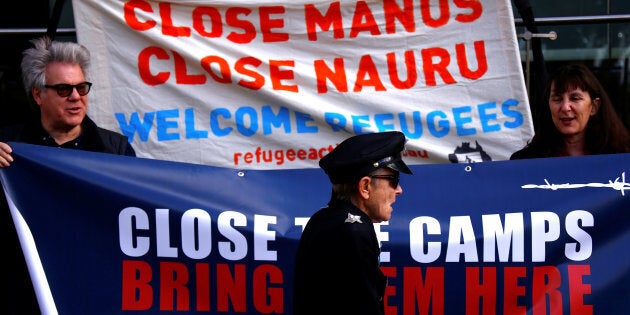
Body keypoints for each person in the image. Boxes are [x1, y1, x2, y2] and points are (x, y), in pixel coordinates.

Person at [0, 36, 136, 314]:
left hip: (92, 288)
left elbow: (134, 221)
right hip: (24, 290)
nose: (75, 96)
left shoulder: (116, 149)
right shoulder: (7, 145)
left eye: (81, 87)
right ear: (38, 95)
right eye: (63, 89)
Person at [293, 131, 413, 315]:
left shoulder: (323, 218)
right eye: (393, 179)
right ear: (365, 187)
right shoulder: (354, 230)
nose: (399, 190)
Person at [511, 63, 630, 159]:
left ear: (594, 106)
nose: (565, 107)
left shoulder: (621, 158)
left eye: (575, 98)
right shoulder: (526, 162)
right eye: (557, 99)